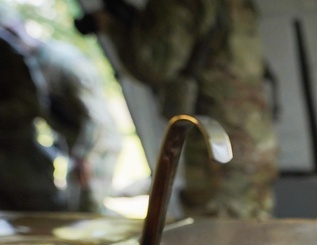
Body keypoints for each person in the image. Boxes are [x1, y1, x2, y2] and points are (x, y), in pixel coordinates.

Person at [86, 0, 278, 219]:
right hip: (254, 133)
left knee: (217, 228)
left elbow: (156, 65)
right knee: (253, 223)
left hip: (216, 140)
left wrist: (113, 26)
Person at [0, 5, 122, 214]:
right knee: (75, 209)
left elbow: (95, 117)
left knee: (88, 209)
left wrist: (85, 156)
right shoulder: (31, 65)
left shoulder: (64, 61)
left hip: (97, 144)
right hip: (75, 145)